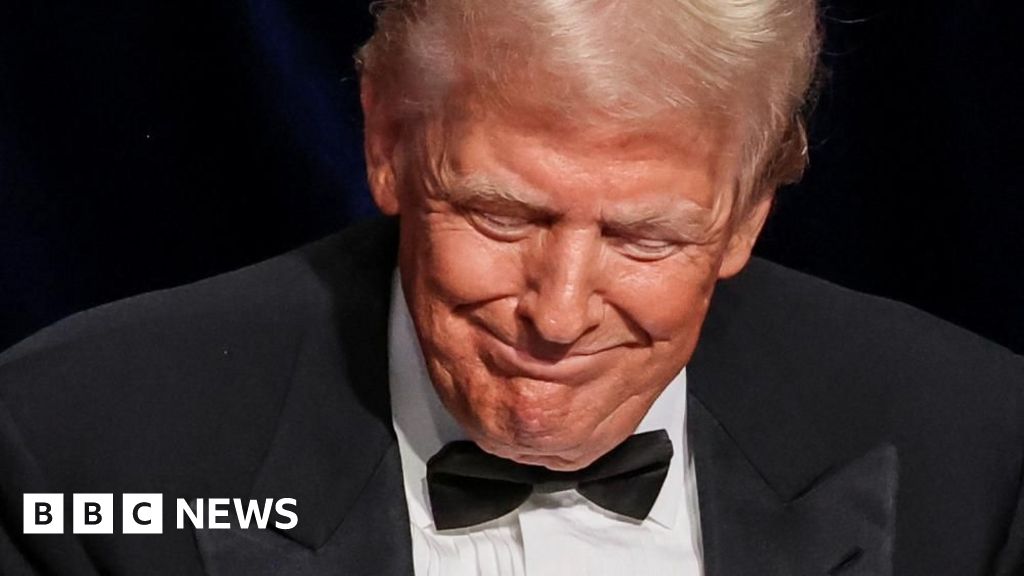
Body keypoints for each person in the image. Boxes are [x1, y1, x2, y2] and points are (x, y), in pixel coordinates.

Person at [1, 0, 1021, 575]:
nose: (559, 314)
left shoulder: (977, 450)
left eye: (645, 237)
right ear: (388, 141)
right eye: (504, 216)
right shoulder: (76, 446)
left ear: (749, 214)